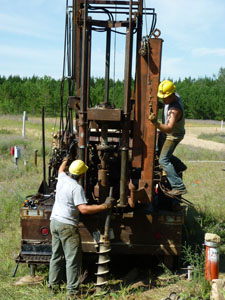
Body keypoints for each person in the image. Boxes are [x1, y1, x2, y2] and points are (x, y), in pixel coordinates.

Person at [48, 158, 114, 299]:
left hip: (54, 222)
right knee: (72, 259)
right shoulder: (76, 188)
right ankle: (72, 293)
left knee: (56, 256)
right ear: (82, 174)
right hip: (67, 226)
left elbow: (60, 169)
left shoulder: (62, 178)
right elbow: (83, 209)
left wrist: (65, 160)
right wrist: (104, 206)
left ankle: (52, 287)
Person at [149, 80, 187, 196]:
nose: (162, 100)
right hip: (167, 133)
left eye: (164, 98)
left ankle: (178, 186)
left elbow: (169, 128)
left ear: (171, 95)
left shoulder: (174, 110)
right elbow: (166, 103)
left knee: (163, 160)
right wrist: (159, 105)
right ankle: (180, 165)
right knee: (159, 152)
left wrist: (155, 123)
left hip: (173, 136)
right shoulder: (174, 96)